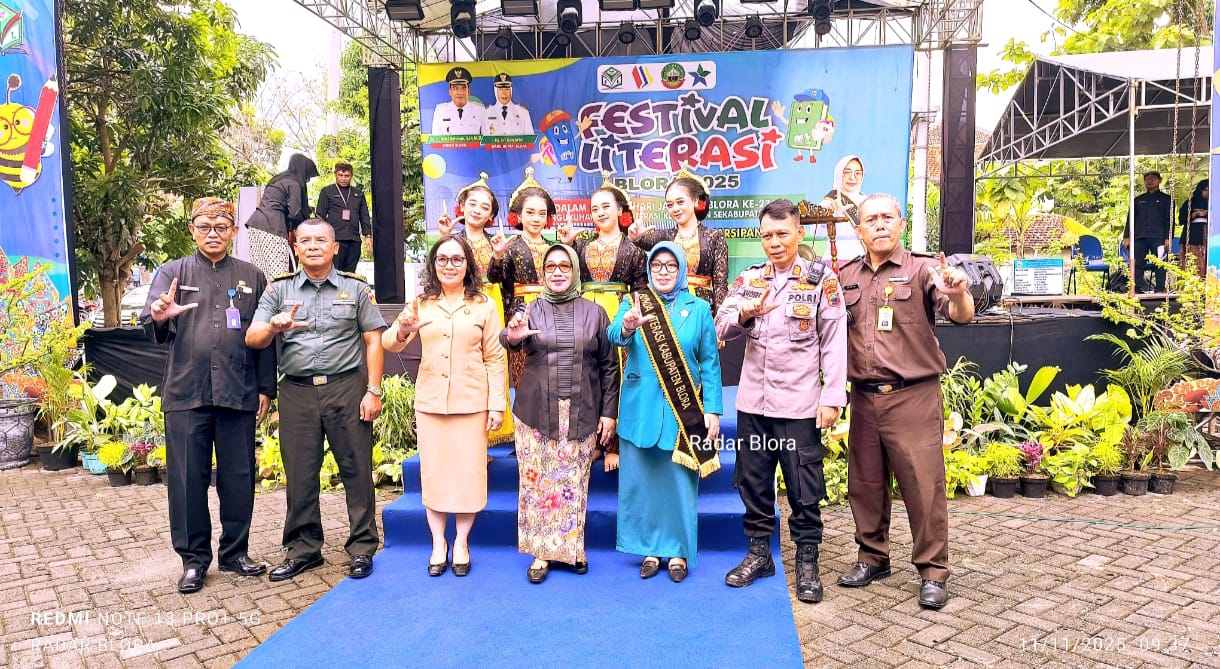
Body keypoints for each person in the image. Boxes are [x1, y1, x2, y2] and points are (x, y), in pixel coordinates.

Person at [835, 194, 974, 610]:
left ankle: (933, 572)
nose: (879, 225)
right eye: (870, 219)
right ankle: (872, 557)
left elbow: (960, 313)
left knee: (923, 487)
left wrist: (959, 293)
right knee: (865, 484)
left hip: (913, 396)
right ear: (859, 230)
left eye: (887, 217)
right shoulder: (846, 275)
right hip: (864, 398)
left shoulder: (924, 269)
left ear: (901, 223)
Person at [140, 197, 277, 593]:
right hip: (187, 391)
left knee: (239, 477)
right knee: (186, 480)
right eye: (204, 227)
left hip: (238, 390)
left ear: (233, 232)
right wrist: (159, 315)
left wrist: (266, 387)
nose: (212, 234)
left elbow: (265, 337)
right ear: (192, 231)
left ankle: (235, 553)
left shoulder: (252, 276)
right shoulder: (173, 273)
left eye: (221, 227)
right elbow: (153, 321)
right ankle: (193, 560)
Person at [715, 199, 847, 604]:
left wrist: (832, 398)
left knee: (804, 489)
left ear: (799, 233)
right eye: (767, 235)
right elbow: (720, 326)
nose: (774, 242)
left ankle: (807, 562)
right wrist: (745, 315)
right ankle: (759, 555)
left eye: (782, 234)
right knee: (753, 483)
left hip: (799, 407)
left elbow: (834, 340)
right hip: (753, 405)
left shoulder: (821, 280)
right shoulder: (749, 280)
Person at [246, 219, 387, 581]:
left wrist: (373, 390)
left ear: (335, 248)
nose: (312, 246)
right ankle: (304, 549)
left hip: (346, 387)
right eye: (305, 240)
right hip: (298, 391)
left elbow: (373, 340)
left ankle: (362, 547)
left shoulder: (356, 288)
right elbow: (253, 337)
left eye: (320, 240)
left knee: (356, 469)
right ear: (295, 247)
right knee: (300, 473)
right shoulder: (279, 289)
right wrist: (273, 327)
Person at [382, 235, 506, 577]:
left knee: (468, 475)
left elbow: (495, 357)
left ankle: (462, 542)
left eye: (457, 259)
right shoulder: (421, 303)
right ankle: (438, 543)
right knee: (434, 475)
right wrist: (403, 330)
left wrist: (497, 405)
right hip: (432, 401)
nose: (449, 266)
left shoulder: (484, 304)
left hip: (472, 402)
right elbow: (389, 342)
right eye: (442, 259)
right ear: (433, 265)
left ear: (468, 265)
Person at [500, 243, 619, 583]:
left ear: (575, 271)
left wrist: (609, 413)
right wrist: (512, 336)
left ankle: (572, 549)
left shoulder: (596, 313)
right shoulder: (530, 310)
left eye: (564, 266)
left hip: (582, 410)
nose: (557, 272)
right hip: (535, 412)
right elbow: (509, 338)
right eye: (550, 266)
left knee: (573, 482)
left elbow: (610, 367)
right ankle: (541, 553)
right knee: (537, 483)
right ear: (542, 272)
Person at [609, 242, 723, 583]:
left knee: (678, 486)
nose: (662, 271)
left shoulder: (698, 308)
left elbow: (710, 362)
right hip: (639, 411)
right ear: (648, 269)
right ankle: (648, 550)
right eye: (656, 265)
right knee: (642, 486)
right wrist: (628, 326)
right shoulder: (633, 302)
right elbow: (614, 336)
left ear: (682, 270)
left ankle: (677, 551)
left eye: (670, 265)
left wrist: (713, 410)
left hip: (682, 412)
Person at [558, 171, 648, 471]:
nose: (599, 212)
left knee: (617, 376)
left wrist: (631, 320)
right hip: (585, 314)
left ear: (620, 209)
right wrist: (568, 245)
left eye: (606, 206)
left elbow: (640, 290)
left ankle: (615, 444)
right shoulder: (582, 246)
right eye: (594, 208)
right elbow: (566, 277)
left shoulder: (634, 250)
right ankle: (591, 441)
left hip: (619, 314)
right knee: (586, 374)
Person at [437, 174, 514, 445]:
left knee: (493, 360)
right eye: (472, 204)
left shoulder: (497, 242)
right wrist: (443, 238)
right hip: (458, 303)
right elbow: (436, 272)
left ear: (491, 215)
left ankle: (493, 429)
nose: (477, 210)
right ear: (462, 207)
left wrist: (498, 256)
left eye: (484, 207)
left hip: (490, 304)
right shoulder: (452, 240)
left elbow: (501, 280)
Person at [628, 169, 729, 314]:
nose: (675, 209)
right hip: (669, 306)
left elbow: (720, 284)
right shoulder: (665, 236)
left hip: (702, 308)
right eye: (670, 205)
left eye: (680, 202)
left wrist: (721, 319)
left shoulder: (714, 236)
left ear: (695, 201)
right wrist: (635, 236)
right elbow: (643, 241)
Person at [490, 167, 557, 384]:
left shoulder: (554, 247)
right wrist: (497, 256)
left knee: (553, 368)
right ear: (518, 216)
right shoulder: (511, 247)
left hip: (552, 310)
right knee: (524, 371)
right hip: (520, 312)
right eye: (530, 212)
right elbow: (495, 278)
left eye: (542, 213)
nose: (536, 218)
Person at [246, 153, 319, 278]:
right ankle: (277, 292)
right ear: (303, 171)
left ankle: (261, 292)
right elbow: (295, 213)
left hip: (255, 224)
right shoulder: (294, 184)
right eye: (308, 176)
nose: (307, 180)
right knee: (278, 273)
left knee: (260, 271)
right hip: (273, 226)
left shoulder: (277, 180)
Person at [315, 161, 372, 273]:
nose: (343, 179)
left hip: (353, 240)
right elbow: (320, 216)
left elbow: (364, 216)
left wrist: (368, 236)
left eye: (347, 176)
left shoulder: (358, 194)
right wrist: (320, 238)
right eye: (340, 175)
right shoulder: (327, 191)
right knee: (334, 272)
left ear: (351, 176)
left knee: (350, 274)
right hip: (335, 239)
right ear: (335, 174)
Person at [1122, 171, 1173, 293]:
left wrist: (1168, 237)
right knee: (1137, 262)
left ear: (1159, 180)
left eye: (1153, 178)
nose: (1150, 181)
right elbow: (1130, 219)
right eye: (1147, 179)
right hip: (1139, 236)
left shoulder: (1167, 200)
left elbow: (1170, 220)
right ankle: (1136, 288)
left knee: (1160, 262)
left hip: (1159, 237)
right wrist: (1127, 236)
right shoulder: (1138, 200)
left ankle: (1160, 288)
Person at [818, 155, 868, 262]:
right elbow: (818, 234)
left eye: (857, 173)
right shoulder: (829, 201)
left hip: (863, 262)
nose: (852, 177)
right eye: (847, 172)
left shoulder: (868, 202)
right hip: (835, 261)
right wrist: (832, 216)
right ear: (838, 174)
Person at [430, 66, 485, 136]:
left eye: (463, 88)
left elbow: (486, 139)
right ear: (450, 92)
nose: (460, 92)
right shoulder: (440, 111)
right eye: (455, 88)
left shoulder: (479, 110)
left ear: (468, 91)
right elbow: (436, 140)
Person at [1178, 178, 1208, 278]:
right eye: (1205, 190)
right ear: (1200, 190)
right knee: (1192, 260)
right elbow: (1181, 219)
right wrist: (1195, 214)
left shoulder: (1214, 203)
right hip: (1192, 236)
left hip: (1208, 235)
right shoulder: (1190, 203)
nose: (1207, 193)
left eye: (1209, 190)